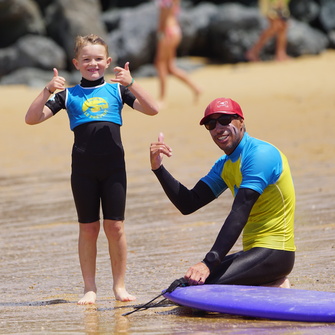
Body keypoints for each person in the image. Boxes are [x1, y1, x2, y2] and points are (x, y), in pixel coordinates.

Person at [25, 34, 159, 304]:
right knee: (88, 229)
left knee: (116, 227)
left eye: (99, 59)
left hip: (114, 170)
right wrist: (47, 90)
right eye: (86, 59)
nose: (93, 64)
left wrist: (132, 82)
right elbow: (31, 119)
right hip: (83, 172)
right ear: (76, 63)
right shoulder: (68, 95)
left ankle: (120, 287)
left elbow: (153, 109)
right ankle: (90, 288)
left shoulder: (117, 91)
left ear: (108, 62)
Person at [150, 97, 295, 288]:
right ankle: (270, 284)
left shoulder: (260, 155)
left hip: (277, 252)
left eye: (225, 120)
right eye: (211, 124)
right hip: (253, 253)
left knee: (196, 286)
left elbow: (239, 212)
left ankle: (274, 281)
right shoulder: (224, 165)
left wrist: (209, 263)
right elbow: (189, 203)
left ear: (241, 121)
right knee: (185, 284)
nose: (218, 128)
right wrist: (158, 169)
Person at [154, 0, 202, 105]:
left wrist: (160, 34)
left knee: (160, 64)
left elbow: (164, 16)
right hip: (175, 29)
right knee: (171, 67)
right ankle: (196, 88)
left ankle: (162, 98)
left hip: (167, 31)